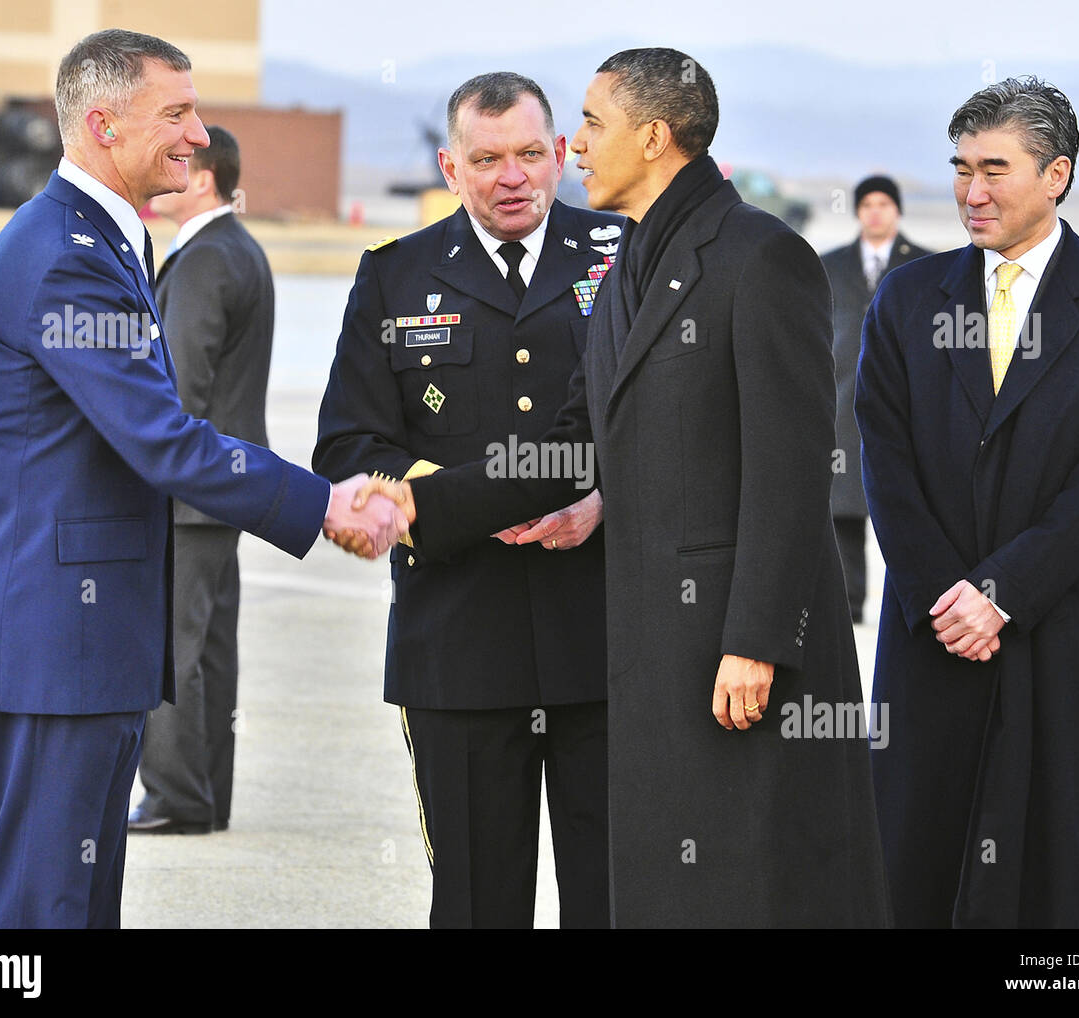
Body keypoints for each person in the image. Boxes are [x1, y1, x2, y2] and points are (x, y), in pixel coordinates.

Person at [344, 48, 890, 928]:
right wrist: (419, 505)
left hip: (724, 648)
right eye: (491, 157)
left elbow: (792, 473)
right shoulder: (631, 258)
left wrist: (755, 640)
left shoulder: (760, 257)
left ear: (654, 135)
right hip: (636, 646)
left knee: (754, 882)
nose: (575, 147)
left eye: (588, 127)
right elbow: (573, 445)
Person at [0, 29, 404, 929]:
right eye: (175, 114)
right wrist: (324, 500)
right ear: (102, 124)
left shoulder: (104, 237)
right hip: (58, 637)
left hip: (89, 635)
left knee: (82, 905)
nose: (198, 136)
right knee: (39, 910)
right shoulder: (66, 256)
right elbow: (164, 443)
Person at [855, 76, 1079, 927]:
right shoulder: (907, 298)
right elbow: (884, 465)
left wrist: (1002, 595)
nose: (972, 192)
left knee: (1051, 871)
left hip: (1058, 628)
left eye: (995, 169)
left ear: (1057, 174)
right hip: (932, 629)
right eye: (960, 169)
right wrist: (947, 597)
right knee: (915, 861)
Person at [313, 72, 618, 928]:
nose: (511, 176)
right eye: (486, 159)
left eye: (529, 154)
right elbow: (348, 446)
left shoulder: (622, 259)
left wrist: (603, 503)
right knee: (478, 899)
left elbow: (685, 433)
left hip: (602, 636)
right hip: (459, 639)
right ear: (451, 167)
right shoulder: (393, 277)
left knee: (617, 894)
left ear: (561, 156)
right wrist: (444, 503)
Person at [129, 126, 271, 836]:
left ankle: (176, 798)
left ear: (208, 178)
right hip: (229, 485)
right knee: (211, 647)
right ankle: (206, 794)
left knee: (171, 648)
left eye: (181, 163)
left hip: (191, 488)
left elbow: (180, 389)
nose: (166, 174)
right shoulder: (239, 249)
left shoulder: (205, 259)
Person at [819, 176, 927, 622]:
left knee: (910, 508)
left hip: (906, 404)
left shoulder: (923, 266)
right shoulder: (830, 265)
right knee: (842, 508)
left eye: (884, 203)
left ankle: (917, 601)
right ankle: (849, 607)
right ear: (858, 211)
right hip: (842, 402)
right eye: (868, 204)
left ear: (897, 210)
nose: (876, 212)